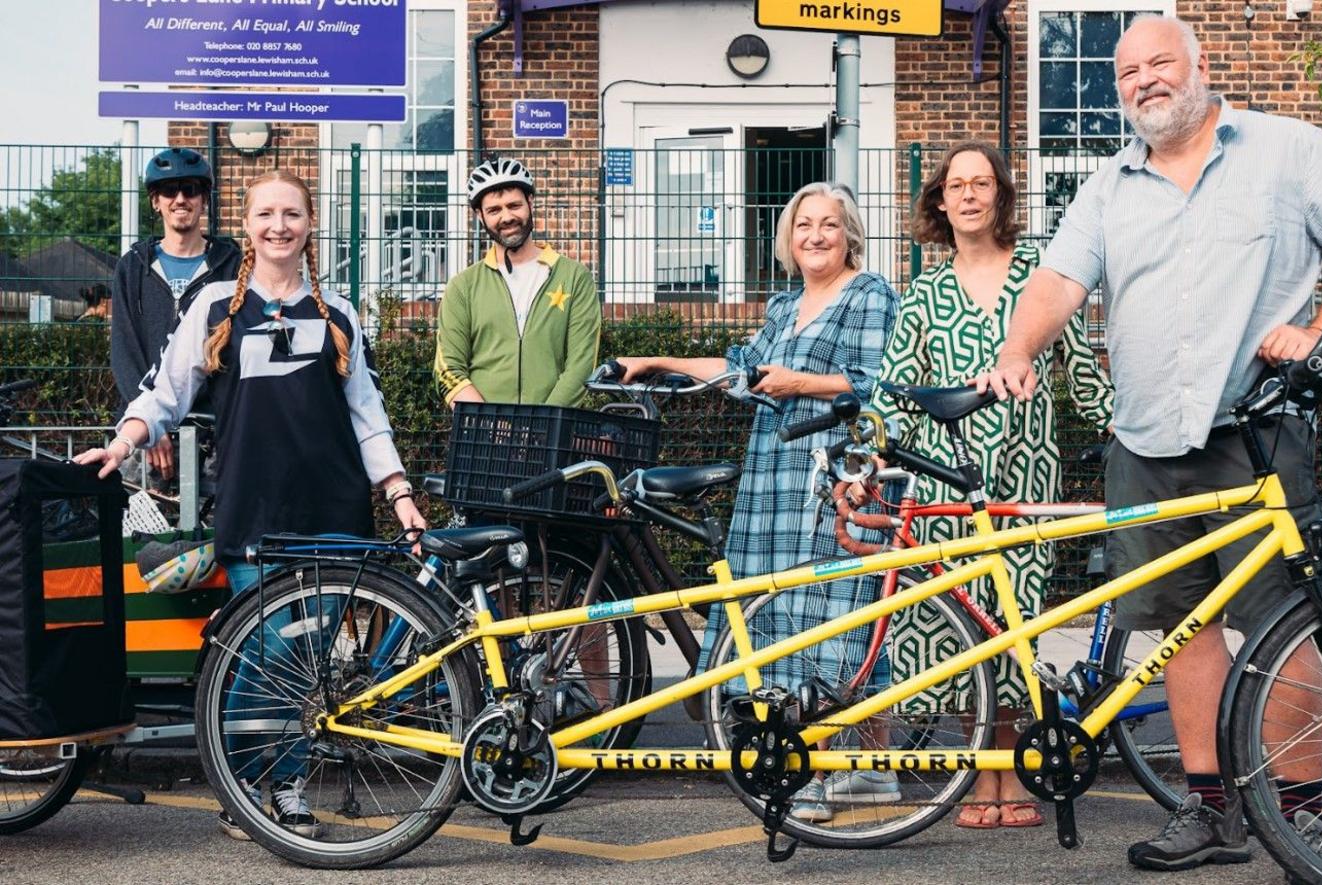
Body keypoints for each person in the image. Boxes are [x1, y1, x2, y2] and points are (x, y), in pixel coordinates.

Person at [976, 15, 1322, 872]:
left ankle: (1297, 813)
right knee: (1176, 627)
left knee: (1281, 625)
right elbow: (1057, 280)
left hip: (1258, 433)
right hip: (1145, 435)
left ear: (1202, 66)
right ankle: (1211, 809)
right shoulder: (1109, 184)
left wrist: (1321, 333)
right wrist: (1017, 348)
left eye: (1159, 62)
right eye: (1127, 73)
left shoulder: (1288, 150)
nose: (1144, 81)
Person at [76, 169, 427, 841]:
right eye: (266, 213)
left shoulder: (339, 314)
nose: (279, 225)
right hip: (253, 516)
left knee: (310, 666)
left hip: (333, 515)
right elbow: (162, 393)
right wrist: (123, 444)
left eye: (291, 213)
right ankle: (242, 782)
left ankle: (287, 790)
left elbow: (369, 416)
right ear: (248, 224)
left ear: (309, 223)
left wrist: (399, 493)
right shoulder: (213, 306)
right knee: (268, 652)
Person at [617, 181, 898, 823]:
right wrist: (656, 361)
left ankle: (850, 771)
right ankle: (824, 766)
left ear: (848, 232)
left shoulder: (870, 293)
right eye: (804, 225)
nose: (816, 235)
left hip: (839, 467)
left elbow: (885, 380)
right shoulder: (785, 304)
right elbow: (741, 368)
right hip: (773, 472)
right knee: (780, 618)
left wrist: (800, 383)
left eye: (829, 224)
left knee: (838, 611)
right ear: (788, 239)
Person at [872, 141, 1114, 830]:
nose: (971, 195)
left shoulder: (1041, 275)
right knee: (956, 633)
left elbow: (1084, 373)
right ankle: (980, 778)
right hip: (944, 477)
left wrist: (1130, 427)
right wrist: (868, 454)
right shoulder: (923, 293)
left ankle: (1012, 772)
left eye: (983, 183)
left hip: (1023, 472)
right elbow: (895, 391)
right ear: (940, 202)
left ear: (1003, 197)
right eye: (958, 185)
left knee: (1015, 624)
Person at [111, 147, 241, 479]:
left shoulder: (233, 266)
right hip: (145, 426)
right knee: (139, 524)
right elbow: (124, 350)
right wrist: (150, 425)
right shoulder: (133, 267)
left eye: (191, 190)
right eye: (169, 190)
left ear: (204, 199)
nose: (180, 198)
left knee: (214, 528)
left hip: (214, 426)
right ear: (156, 201)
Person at [434, 157, 600, 407]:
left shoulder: (575, 277)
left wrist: (540, 427)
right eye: (494, 210)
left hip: (552, 433)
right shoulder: (463, 287)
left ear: (530, 203)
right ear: (480, 216)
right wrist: (492, 426)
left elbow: (581, 365)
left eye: (514, 205)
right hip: (484, 436)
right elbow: (448, 369)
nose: (507, 217)